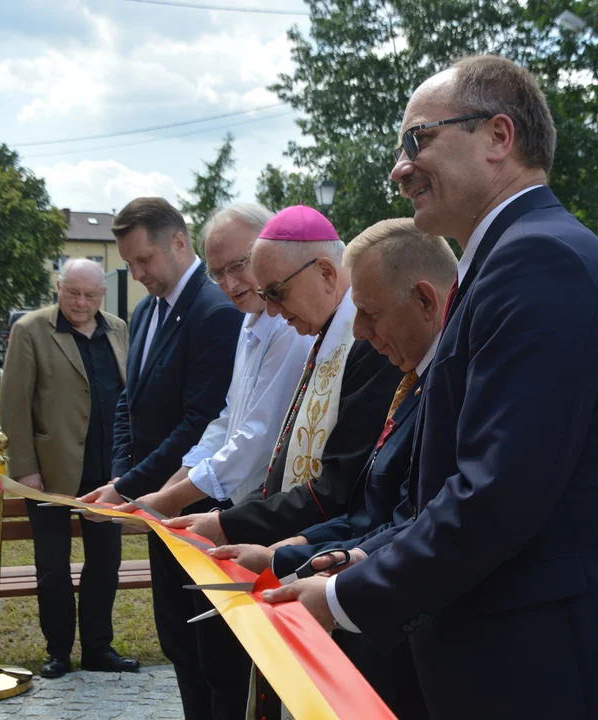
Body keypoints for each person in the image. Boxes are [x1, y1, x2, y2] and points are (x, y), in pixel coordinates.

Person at [263, 55, 598, 719]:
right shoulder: (515, 258)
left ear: (498, 138)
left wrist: (342, 599)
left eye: (417, 140)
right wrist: (351, 565)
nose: (399, 168)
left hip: (567, 660)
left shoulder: (539, 260)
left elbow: (498, 492)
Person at [163, 206, 404, 720]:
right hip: (305, 545)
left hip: (334, 559)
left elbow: (336, 485)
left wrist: (235, 525)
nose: (270, 309)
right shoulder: (320, 330)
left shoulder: (362, 344)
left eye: (275, 292)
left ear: (323, 272)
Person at [213, 218, 456, 720]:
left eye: (369, 313)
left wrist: (328, 569)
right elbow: (373, 502)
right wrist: (294, 552)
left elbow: (410, 517)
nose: (360, 331)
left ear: (428, 303)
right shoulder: (413, 376)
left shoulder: (445, 387)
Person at [108, 203, 312, 716]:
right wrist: (164, 488)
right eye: (219, 271)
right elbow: (224, 420)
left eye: (238, 265)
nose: (229, 281)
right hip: (222, 510)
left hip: (261, 517)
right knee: (211, 660)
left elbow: (255, 437)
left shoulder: (284, 323)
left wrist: (169, 494)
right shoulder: (250, 320)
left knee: (239, 669)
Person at [79, 197, 243, 720]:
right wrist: (123, 475)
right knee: (175, 637)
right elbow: (129, 402)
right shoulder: (147, 310)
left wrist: (132, 486)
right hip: (157, 504)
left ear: (178, 242)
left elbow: (199, 421)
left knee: (211, 649)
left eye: (144, 260)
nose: (138, 272)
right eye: (129, 263)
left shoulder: (215, 310)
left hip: (199, 505)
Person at [0, 259, 135, 679]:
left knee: (105, 563)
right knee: (53, 568)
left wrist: (128, 467)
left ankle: (98, 648)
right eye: (72, 292)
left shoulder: (118, 329)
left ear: (103, 295)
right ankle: (58, 651)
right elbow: (14, 406)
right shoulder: (30, 330)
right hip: (49, 473)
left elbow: (128, 398)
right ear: (58, 287)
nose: (80, 302)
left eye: (90, 295)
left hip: (108, 473)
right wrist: (25, 470)